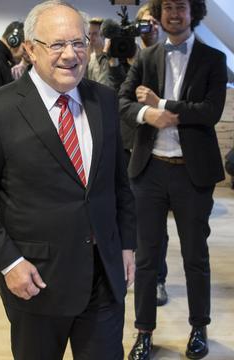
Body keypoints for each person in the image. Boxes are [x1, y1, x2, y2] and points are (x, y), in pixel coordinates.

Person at [0, 1, 136, 358]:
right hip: (37, 282)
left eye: (79, 43)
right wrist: (8, 262)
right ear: (30, 49)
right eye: (57, 45)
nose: (71, 54)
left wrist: (127, 243)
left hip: (104, 277)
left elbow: (118, 184)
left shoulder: (105, 101)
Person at [119, 0, 227, 359]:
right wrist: (148, 112)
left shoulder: (213, 59)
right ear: (159, 12)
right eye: (167, 7)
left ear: (192, 12)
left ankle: (199, 328)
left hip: (192, 174)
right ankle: (144, 332)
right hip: (149, 171)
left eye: (181, 6)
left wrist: (162, 103)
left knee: (195, 255)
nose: (174, 14)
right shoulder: (146, 58)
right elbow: (123, 102)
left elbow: (210, 112)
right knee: (147, 257)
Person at [108, 3, 171, 308]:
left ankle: (157, 278)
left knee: (155, 224)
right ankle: (126, 270)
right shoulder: (126, 55)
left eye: (155, 23)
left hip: (155, 148)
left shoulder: (169, 56)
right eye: (145, 24)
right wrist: (115, 61)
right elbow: (114, 96)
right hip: (125, 143)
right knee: (125, 215)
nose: (151, 28)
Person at [85, 17, 112, 87]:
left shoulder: (109, 59)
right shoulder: (91, 58)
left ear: (103, 35)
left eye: (94, 34)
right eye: (89, 33)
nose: (90, 37)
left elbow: (102, 87)